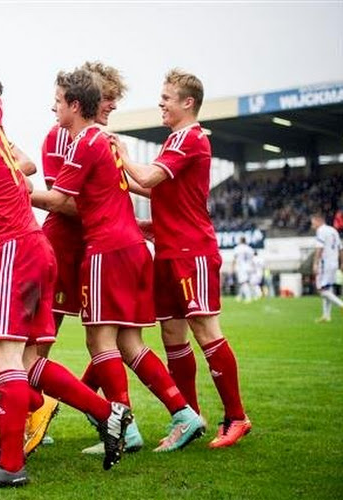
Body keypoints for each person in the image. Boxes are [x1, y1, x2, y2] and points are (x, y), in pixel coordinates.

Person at [0, 51, 131, 488]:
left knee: (2, 356)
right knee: (27, 359)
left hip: (7, 251)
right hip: (37, 248)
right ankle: (107, 412)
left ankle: (10, 464)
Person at [31, 66, 203, 454]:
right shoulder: (103, 141)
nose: (53, 107)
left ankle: (123, 427)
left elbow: (60, 200)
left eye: (58, 101)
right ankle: (182, 412)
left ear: (75, 105)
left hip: (105, 250)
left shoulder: (84, 142)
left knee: (98, 339)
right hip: (129, 247)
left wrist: (13, 188)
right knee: (129, 342)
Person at [112, 68, 251, 448]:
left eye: (167, 98)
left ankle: (237, 417)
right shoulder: (175, 140)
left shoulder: (190, 138)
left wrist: (120, 153)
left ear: (187, 103)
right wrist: (144, 223)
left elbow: (148, 177)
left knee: (206, 332)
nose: (161, 103)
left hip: (193, 253)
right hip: (170, 250)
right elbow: (146, 184)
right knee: (172, 335)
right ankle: (190, 417)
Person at [310, 213, 343, 322]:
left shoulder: (321, 231)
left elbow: (319, 248)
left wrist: (315, 263)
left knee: (321, 289)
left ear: (319, 220)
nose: (312, 225)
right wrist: (341, 262)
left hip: (325, 263)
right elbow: (340, 248)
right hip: (333, 263)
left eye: (313, 222)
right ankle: (326, 316)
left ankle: (341, 304)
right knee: (327, 288)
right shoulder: (333, 230)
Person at [232, 237, 254, 303]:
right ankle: (239, 296)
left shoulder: (237, 248)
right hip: (249, 267)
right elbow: (252, 258)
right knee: (243, 282)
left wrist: (232, 267)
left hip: (241, 267)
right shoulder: (249, 248)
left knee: (243, 282)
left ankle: (248, 297)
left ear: (240, 241)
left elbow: (235, 258)